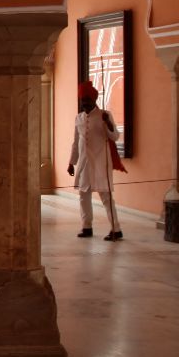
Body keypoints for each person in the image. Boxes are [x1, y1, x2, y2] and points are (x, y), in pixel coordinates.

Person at [67, 82, 122, 241]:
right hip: (84, 163)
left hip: (101, 162)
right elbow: (76, 142)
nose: (84, 103)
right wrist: (72, 162)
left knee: (106, 196)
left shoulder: (105, 115)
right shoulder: (79, 118)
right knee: (83, 195)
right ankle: (87, 227)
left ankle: (116, 229)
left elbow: (115, 137)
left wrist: (109, 123)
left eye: (86, 100)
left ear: (94, 100)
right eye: (82, 100)